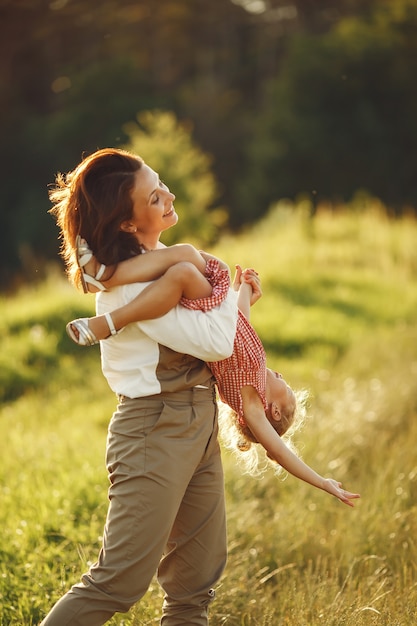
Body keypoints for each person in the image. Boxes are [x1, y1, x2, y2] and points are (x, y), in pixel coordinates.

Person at [40, 147, 241, 626]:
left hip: (197, 422)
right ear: (128, 224)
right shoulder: (130, 288)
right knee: (118, 580)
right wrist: (231, 295)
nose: (169, 195)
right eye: (155, 196)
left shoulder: (149, 266)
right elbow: (217, 342)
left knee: (194, 588)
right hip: (155, 428)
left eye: (162, 182)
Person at [66, 241, 360, 508]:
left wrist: (322, 482)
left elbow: (282, 453)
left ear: (274, 409)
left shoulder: (252, 404)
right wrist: (244, 289)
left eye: (286, 386)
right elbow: (237, 323)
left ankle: (106, 304)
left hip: (210, 311)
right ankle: (104, 270)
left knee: (183, 268)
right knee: (184, 256)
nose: (282, 375)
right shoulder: (254, 376)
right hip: (220, 311)